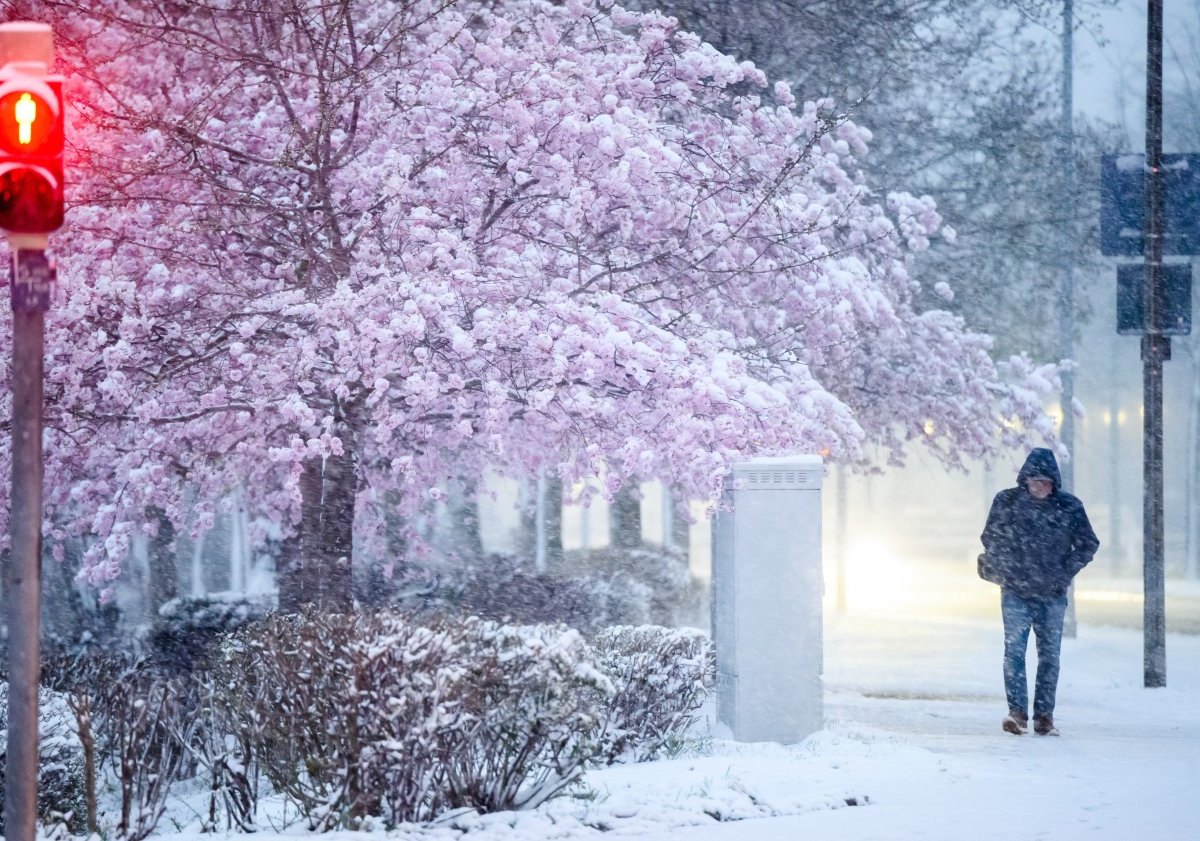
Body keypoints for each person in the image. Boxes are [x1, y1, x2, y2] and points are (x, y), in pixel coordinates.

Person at [980, 447, 1099, 737]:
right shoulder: (1007, 502)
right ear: (1026, 479)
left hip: (1051, 594)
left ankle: (1044, 717)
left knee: (1049, 657)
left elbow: (1088, 543)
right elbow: (990, 537)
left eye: (1045, 481)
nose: (1040, 485)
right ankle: (1017, 714)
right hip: (1016, 591)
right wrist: (1007, 568)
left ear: (1054, 483)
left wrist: (1063, 572)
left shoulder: (1069, 507)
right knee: (1014, 652)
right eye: (1035, 480)